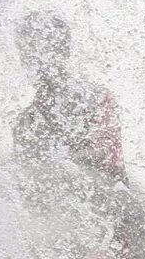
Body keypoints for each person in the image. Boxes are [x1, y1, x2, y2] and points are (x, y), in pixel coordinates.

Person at [14, 12, 127, 185]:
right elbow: (27, 174)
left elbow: (104, 155)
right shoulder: (26, 122)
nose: (34, 56)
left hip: (105, 194)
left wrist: (55, 161)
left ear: (64, 50)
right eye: (28, 49)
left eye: (43, 47)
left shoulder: (96, 97)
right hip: (59, 200)